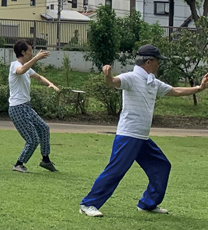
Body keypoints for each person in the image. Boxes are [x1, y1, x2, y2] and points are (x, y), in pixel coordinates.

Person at [79, 44, 208, 217]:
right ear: (148, 62)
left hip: (142, 137)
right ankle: (88, 204)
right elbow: (113, 82)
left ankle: (147, 203)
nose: (159, 65)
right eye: (157, 61)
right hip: (128, 135)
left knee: (162, 166)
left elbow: (175, 90)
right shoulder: (131, 78)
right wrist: (108, 76)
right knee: (116, 170)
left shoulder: (152, 82)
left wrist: (199, 88)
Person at [9, 40, 60, 173]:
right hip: (17, 108)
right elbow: (21, 70)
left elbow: (38, 77)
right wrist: (36, 58)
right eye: (30, 51)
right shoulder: (15, 65)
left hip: (26, 106)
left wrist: (50, 84)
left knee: (44, 128)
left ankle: (45, 160)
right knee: (32, 140)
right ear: (23, 52)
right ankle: (18, 164)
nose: (32, 54)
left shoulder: (27, 68)